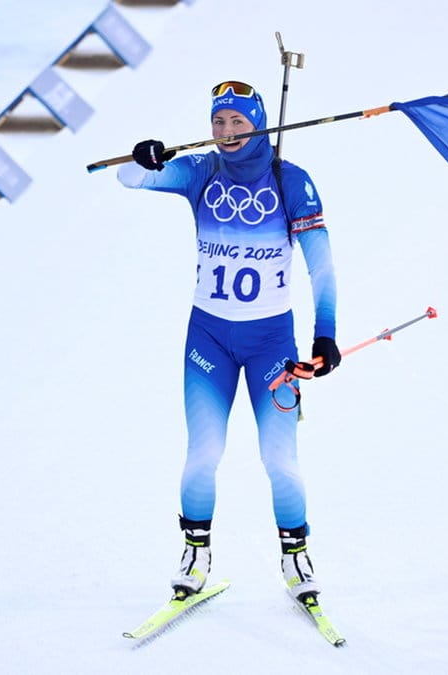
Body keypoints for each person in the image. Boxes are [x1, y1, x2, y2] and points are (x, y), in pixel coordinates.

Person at [117, 80, 341, 602]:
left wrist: (325, 334)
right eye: (218, 121)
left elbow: (322, 267)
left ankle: (295, 556)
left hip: (271, 345)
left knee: (279, 459)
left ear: (258, 124)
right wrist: (145, 157)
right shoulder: (201, 171)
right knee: (204, 453)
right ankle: (195, 552)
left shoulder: (291, 182)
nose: (227, 131)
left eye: (238, 121)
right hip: (209, 340)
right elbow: (129, 177)